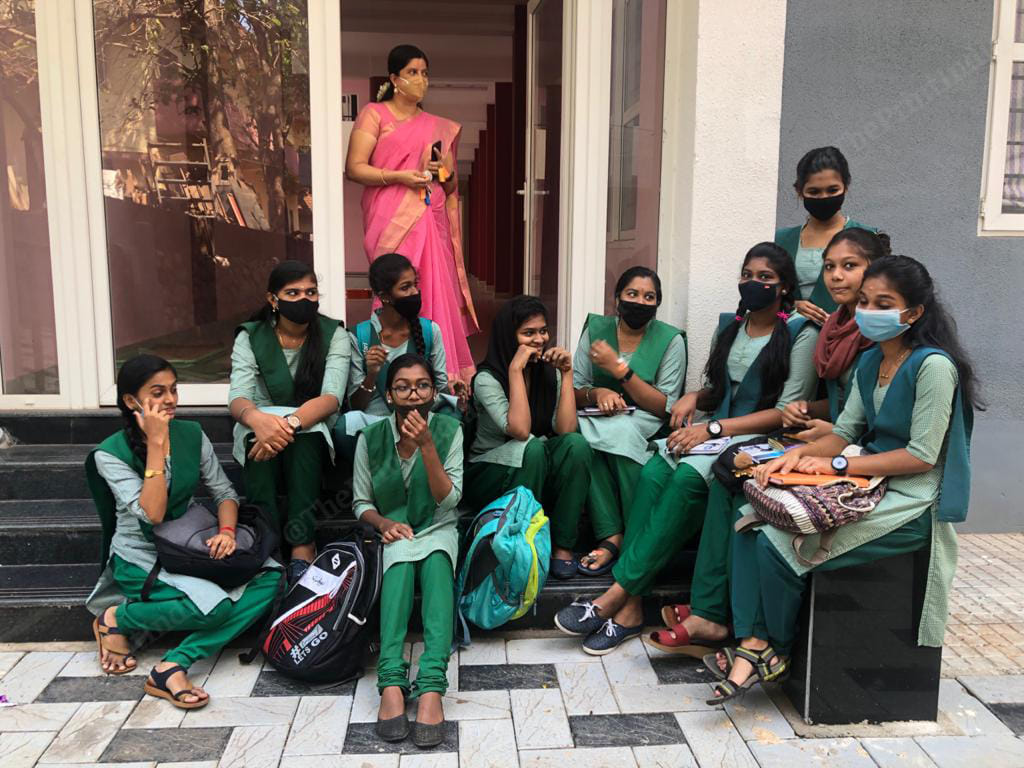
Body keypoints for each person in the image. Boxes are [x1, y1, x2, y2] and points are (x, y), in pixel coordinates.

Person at [708, 254, 979, 704]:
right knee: (748, 520)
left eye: (884, 303)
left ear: (913, 313)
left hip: (911, 499)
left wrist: (837, 467)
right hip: (867, 480)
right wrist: (789, 459)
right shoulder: (872, 362)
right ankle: (755, 644)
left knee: (781, 544)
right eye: (866, 301)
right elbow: (845, 434)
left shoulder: (934, 367)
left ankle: (771, 649)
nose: (870, 313)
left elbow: (920, 456)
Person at [555, 243, 819, 654]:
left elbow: (786, 412)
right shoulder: (732, 325)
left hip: (761, 442)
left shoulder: (801, 333)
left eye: (765, 278)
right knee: (653, 471)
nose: (753, 284)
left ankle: (615, 599)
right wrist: (696, 397)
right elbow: (723, 389)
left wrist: (711, 428)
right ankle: (631, 605)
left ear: (784, 286)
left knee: (683, 482)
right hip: (719, 431)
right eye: (747, 274)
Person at [85, 355, 280, 709]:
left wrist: (227, 532)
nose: (171, 399)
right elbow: (152, 512)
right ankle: (117, 618)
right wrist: (157, 445)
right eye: (157, 393)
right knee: (216, 608)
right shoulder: (109, 455)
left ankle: (170, 663)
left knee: (270, 578)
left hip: (188, 544)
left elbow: (224, 494)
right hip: (141, 556)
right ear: (131, 402)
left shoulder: (191, 434)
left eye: (173, 390)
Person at [345, 44, 478, 382]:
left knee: (429, 288)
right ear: (394, 78)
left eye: (424, 73)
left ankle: (437, 376)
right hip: (388, 215)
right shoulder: (375, 114)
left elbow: (449, 187)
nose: (421, 80)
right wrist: (399, 177)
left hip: (426, 215)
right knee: (393, 286)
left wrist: (442, 172)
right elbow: (355, 168)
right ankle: (385, 375)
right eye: (412, 73)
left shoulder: (437, 126)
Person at [352, 353, 463, 748]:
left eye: (422, 385)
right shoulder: (372, 437)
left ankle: (432, 684)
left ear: (434, 391)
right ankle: (392, 683)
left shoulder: (449, 430)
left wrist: (428, 446)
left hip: (437, 526)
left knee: (436, 565)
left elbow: (448, 502)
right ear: (389, 394)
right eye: (402, 386)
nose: (413, 395)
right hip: (394, 531)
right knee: (398, 569)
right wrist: (383, 524)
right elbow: (361, 502)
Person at [228, 260, 350, 584]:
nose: (304, 299)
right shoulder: (250, 336)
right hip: (260, 421)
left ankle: (302, 544)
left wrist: (288, 424)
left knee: (307, 436)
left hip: (308, 421)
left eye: (311, 292)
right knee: (256, 438)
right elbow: (238, 397)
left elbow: (331, 397)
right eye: (292, 292)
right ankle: (264, 543)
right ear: (273, 299)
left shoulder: (333, 334)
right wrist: (257, 419)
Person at [465, 295, 592, 577]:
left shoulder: (549, 372)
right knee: (531, 446)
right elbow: (520, 430)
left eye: (543, 331)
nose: (539, 339)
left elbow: (566, 429)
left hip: (533, 466)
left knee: (577, 445)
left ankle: (563, 546)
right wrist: (515, 370)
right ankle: (523, 545)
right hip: (488, 472)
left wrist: (567, 374)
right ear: (509, 337)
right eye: (528, 333)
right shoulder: (487, 379)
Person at [571, 267, 686, 577]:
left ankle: (638, 537)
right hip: (596, 418)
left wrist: (620, 370)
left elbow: (665, 405)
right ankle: (612, 535)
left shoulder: (670, 339)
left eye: (649, 297)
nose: (640, 301)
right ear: (617, 298)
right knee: (581, 443)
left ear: (657, 303)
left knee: (619, 434)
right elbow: (575, 388)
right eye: (632, 294)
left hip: (645, 422)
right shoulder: (597, 330)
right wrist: (598, 393)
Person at [341, 253, 462, 445]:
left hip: (422, 418)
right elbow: (356, 405)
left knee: (452, 417)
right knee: (344, 426)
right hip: (377, 422)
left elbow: (440, 387)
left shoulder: (430, 330)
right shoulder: (359, 336)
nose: (414, 292)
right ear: (384, 296)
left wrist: (453, 391)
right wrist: (372, 374)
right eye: (405, 287)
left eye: (415, 284)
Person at [782, 228, 890, 441]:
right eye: (829, 267)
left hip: (874, 451)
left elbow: (891, 413)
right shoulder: (831, 327)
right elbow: (848, 400)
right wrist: (806, 409)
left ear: (875, 269)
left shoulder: (883, 331)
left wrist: (836, 432)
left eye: (850, 266)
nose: (836, 276)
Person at [775, 146, 877, 324]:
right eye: (814, 192)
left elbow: (880, 294)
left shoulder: (868, 238)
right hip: (788, 337)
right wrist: (792, 305)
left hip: (847, 338)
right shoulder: (781, 240)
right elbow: (768, 292)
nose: (824, 197)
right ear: (799, 192)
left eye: (832, 190)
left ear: (845, 187)